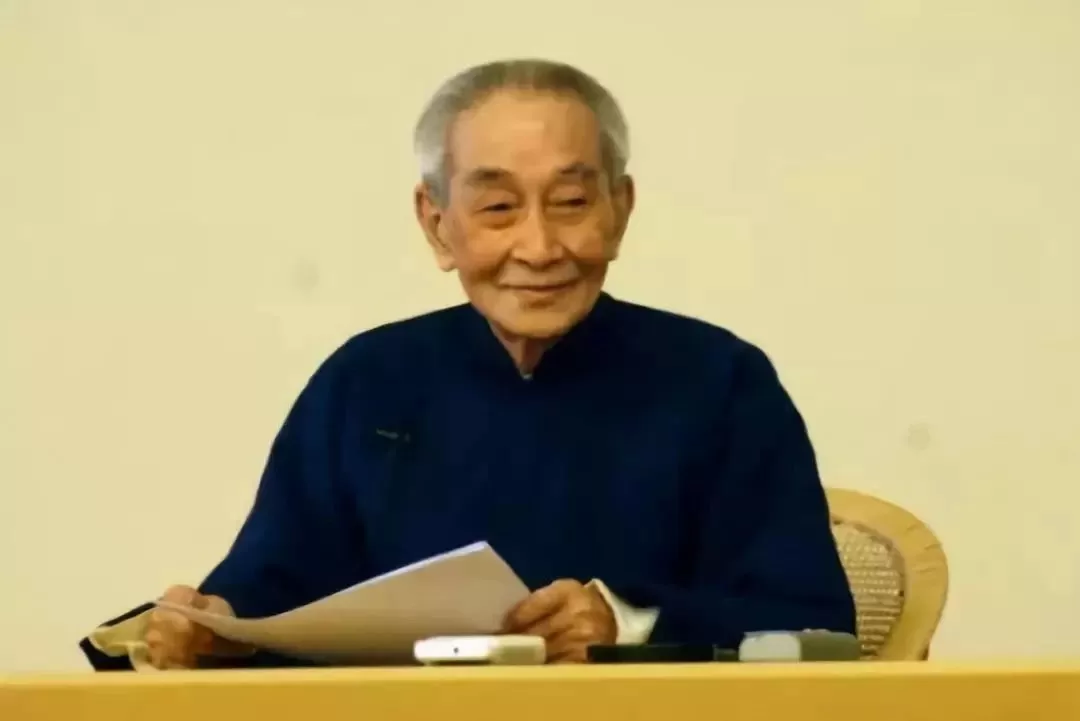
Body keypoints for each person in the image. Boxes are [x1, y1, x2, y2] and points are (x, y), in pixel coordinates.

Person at [80, 58, 855, 671]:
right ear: (437, 224)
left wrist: (626, 621)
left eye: (571, 202)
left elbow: (817, 627)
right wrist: (212, 624)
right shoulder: (366, 380)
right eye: (497, 208)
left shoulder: (720, 382)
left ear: (620, 211)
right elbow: (273, 588)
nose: (539, 247)